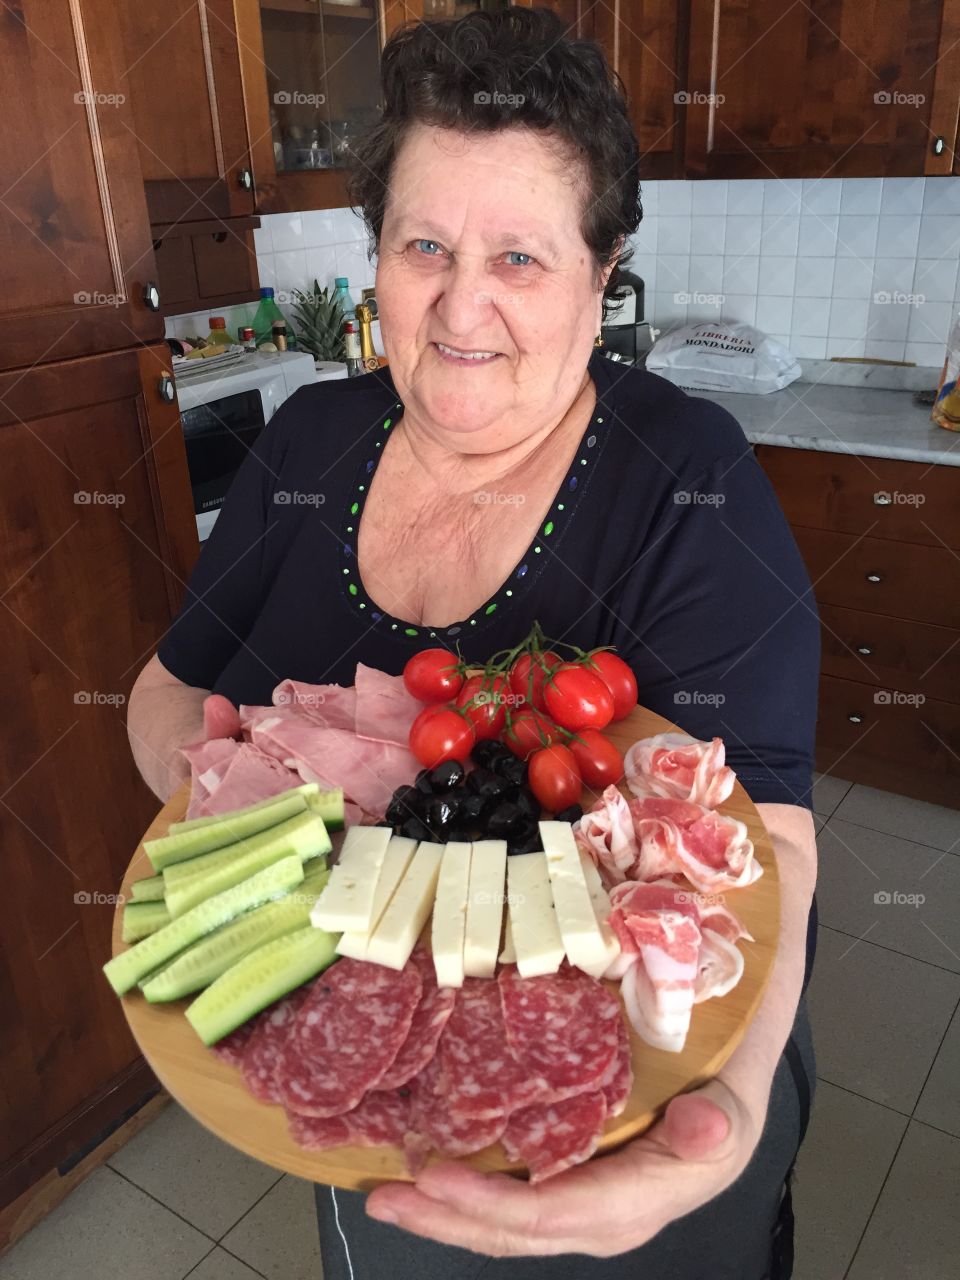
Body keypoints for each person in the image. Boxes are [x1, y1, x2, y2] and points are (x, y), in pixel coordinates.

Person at [128, 8, 818, 1277]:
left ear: (603, 275)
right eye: (425, 246)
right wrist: (224, 803)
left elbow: (771, 833)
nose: (461, 304)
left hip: (639, 1108)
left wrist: (725, 1121)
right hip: (375, 1103)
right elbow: (167, 687)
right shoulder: (309, 441)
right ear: (379, 255)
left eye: (520, 258)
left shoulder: (686, 477)